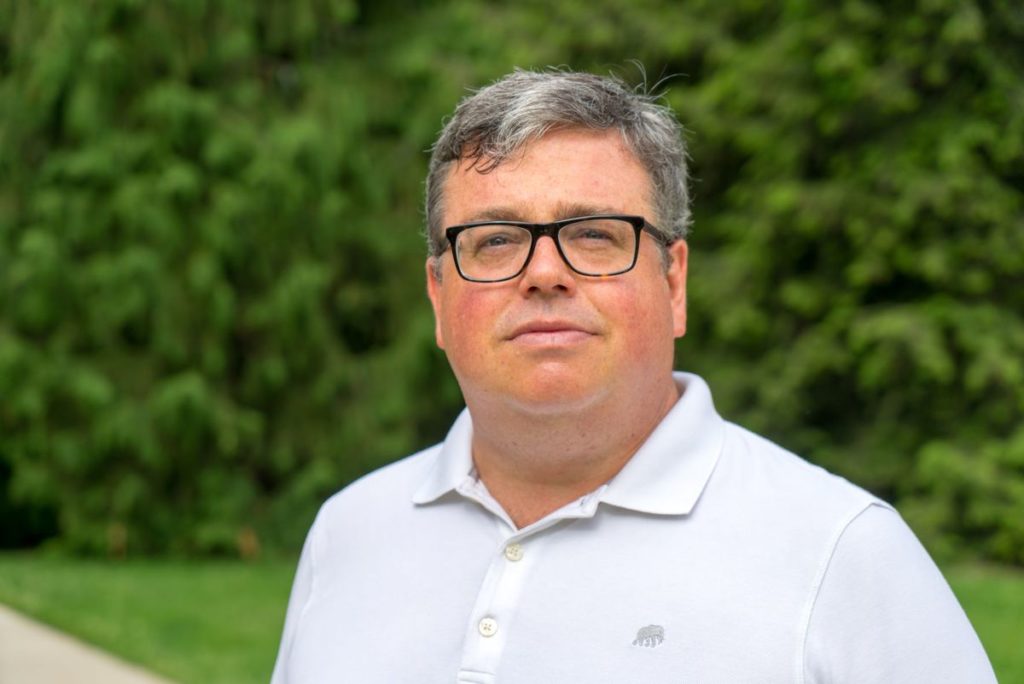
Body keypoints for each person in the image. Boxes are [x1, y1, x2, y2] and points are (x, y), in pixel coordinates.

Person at [271, 69, 995, 683]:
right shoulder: (350, 532)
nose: (543, 273)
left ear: (673, 282)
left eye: (593, 234)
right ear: (438, 297)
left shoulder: (843, 555)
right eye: (494, 241)